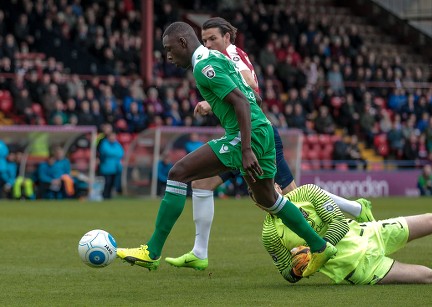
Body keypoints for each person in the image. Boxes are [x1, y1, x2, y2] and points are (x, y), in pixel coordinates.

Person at [117, 21, 336, 277]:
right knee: (269, 199)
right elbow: (253, 95)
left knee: (178, 173)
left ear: (183, 43)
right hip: (262, 129)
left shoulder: (204, 66)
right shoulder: (216, 58)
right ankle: (321, 247)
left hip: (248, 135)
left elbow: (242, 102)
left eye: (169, 49)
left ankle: (152, 252)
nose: (167, 56)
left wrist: (245, 149)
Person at [164, 17, 373, 271]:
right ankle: (199, 251)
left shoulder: (231, 54)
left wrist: (214, 101)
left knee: (292, 196)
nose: (207, 44)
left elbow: (249, 87)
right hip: (239, 137)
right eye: (205, 39)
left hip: (255, 135)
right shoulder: (210, 59)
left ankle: (350, 212)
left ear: (227, 38)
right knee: (202, 183)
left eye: (213, 39)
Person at [262, 183, 432, 285]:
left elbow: (339, 223)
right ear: (258, 204)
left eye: (270, 187)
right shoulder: (269, 233)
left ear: (278, 186)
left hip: (369, 233)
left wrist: (319, 251)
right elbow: (286, 272)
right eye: (259, 196)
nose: (267, 195)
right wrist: (298, 269)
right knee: (429, 276)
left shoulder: (307, 191)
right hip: (359, 268)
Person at [98, 132, 124, 199]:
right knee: (107, 183)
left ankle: (109, 197)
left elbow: (121, 153)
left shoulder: (117, 144)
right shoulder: (104, 144)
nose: (113, 138)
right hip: (106, 168)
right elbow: (107, 152)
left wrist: (113, 154)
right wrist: (115, 154)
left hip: (116, 168)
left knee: (113, 184)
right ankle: (104, 196)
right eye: (112, 136)